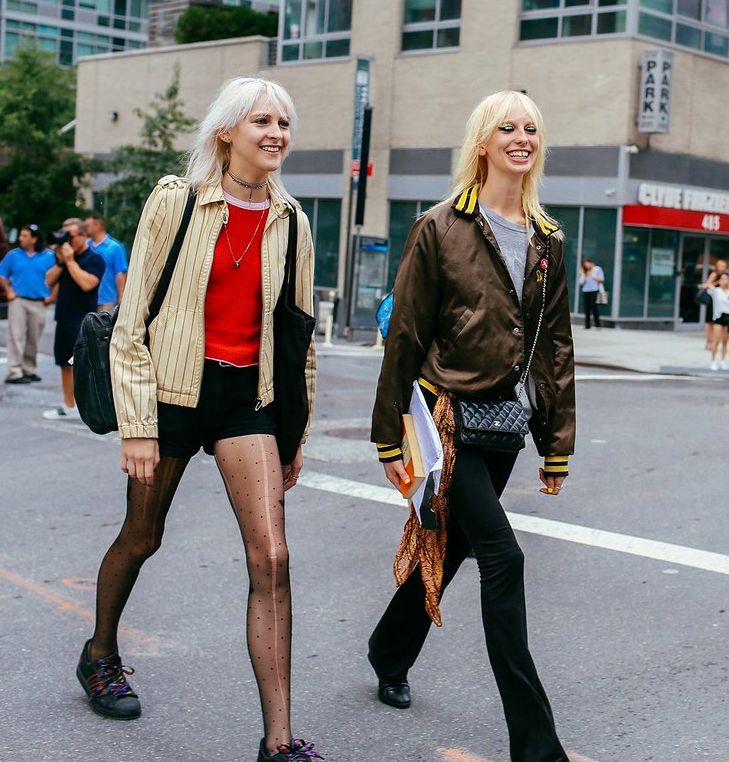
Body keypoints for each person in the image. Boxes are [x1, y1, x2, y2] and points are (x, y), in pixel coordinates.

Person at [82, 77, 320, 762]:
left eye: (283, 122)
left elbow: (298, 341)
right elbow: (132, 322)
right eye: (261, 121)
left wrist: (294, 434)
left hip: (248, 401)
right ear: (226, 132)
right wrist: (137, 425)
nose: (276, 133)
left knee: (272, 558)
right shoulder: (176, 201)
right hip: (171, 396)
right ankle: (99, 653)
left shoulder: (293, 222)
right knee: (142, 535)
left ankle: (279, 742)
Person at [369, 90, 575, 762]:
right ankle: (537, 746)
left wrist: (555, 446)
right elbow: (406, 332)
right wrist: (389, 434)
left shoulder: (547, 239)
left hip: (506, 422)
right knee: (503, 556)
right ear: (482, 143)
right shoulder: (440, 226)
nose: (521, 137)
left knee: (454, 544)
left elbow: (555, 346)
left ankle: (388, 650)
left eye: (531, 128)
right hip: (446, 419)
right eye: (506, 127)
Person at [42, 218, 106, 420]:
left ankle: (87, 407)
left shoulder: (94, 259)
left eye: (70, 236)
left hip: (82, 320)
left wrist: (70, 262)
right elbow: (48, 280)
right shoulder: (64, 259)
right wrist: (62, 261)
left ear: (83, 235)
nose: (67, 241)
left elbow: (88, 284)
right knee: (64, 362)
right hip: (63, 318)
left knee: (82, 365)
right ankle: (68, 404)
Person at [0, 225, 56, 384]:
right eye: (21, 235)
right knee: (15, 336)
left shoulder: (49, 257)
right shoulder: (14, 255)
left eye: (24, 236)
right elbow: (0, 274)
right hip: (19, 300)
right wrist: (9, 291)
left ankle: (28, 369)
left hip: (39, 302)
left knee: (33, 338)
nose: (20, 238)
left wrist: (52, 297)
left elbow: (59, 277)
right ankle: (14, 371)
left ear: (34, 239)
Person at [86, 213, 129, 313]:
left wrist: (121, 298)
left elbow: (120, 273)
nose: (85, 228)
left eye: (87, 226)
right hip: (87, 299)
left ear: (98, 226)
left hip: (107, 300)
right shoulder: (85, 245)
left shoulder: (115, 247)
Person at [708, 272, 729, 371]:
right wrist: (712, 278)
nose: (724, 281)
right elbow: (708, 286)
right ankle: (713, 361)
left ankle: (723, 361)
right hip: (718, 316)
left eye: (726, 279)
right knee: (716, 340)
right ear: (719, 281)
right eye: (722, 279)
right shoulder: (716, 291)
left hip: (728, 316)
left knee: (725, 341)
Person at [701, 258, 728, 351]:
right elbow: (707, 285)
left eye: (723, 266)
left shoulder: (726, 276)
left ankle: (714, 342)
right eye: (720, 266)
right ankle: (709, 342)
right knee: (710, 323)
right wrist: (717, 282)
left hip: (720, 302)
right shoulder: (714, 274)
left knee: (717, 323)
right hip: (712, 301)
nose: (722, 267)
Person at [577, 257, 604, 329]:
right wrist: (584, 275)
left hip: (594, 290)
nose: (587, 266)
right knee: (586, 308)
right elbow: (580, 282)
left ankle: (597, 325)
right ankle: (587, 325)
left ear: (591, 263)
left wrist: (592, 275)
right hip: (586, 290)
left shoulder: (597, 269)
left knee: (594, 307)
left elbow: (601, 279)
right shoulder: (585, 271)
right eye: (585, 265)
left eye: (587, 264)